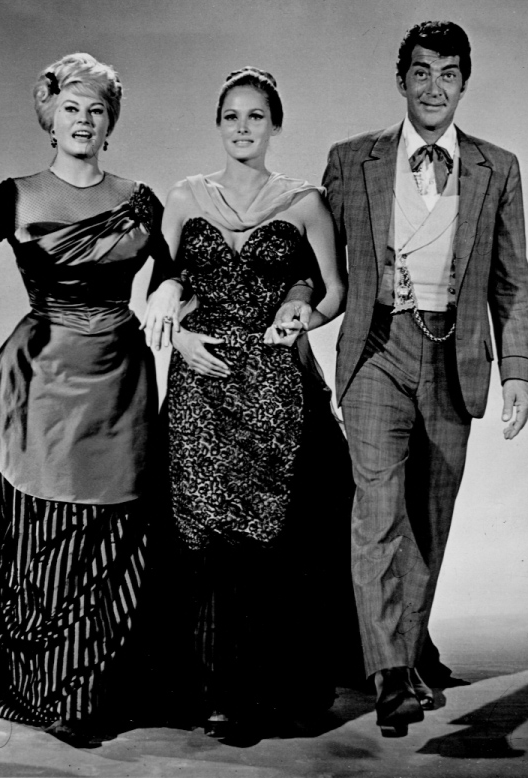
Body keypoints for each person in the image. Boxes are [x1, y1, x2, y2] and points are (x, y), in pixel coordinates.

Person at [0, 53, 172, 747]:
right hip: (44, 378)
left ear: (110, 123)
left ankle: (93, 689)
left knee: (115, 532)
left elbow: (169, 269)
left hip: (121, 378)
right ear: (50, 117)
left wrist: (167, 290)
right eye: (71, 107)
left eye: (96, 110)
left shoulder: (140, 198)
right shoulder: (15, 195)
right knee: (48, 525)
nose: (83, 120)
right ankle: (48, 685)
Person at [321, 20, 528, 736]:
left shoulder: (497, 167)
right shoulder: (352, 159)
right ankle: (388, 676)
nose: (434, 87)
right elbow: (317, 261)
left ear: (464, 83)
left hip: (456, 355)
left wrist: (518, 372)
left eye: (448, 73)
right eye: (421, 72)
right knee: (377, 511)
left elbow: (511, 282)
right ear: (401, 80)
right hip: (376, 350)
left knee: (430, 520)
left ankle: (407, 653)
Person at [142, 67, 351, 737]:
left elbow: (334, 289)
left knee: (264, 534)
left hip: (270, 382)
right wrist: (179, 339)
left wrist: (303, 315)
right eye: (231, 115)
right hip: (199, 382)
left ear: (275, 125)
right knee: (197, 532)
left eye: (255, 116)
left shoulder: (305, 201)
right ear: (217, 124)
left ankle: (255, 692)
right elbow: (159, 285)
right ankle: (202, 688)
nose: (242, 127)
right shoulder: (184, 196)